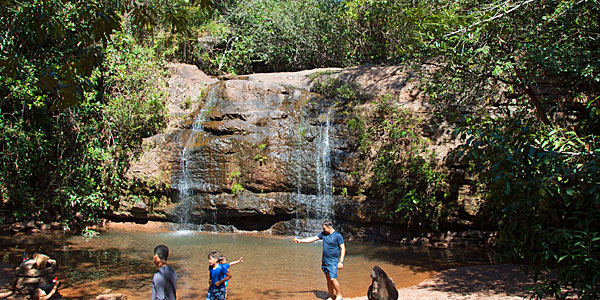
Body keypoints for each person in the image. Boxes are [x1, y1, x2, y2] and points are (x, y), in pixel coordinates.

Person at [295, 220, 346, 300]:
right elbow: (312, 239)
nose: (323, 230)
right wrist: (301, 241)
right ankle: (331, 296)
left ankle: (339, 295)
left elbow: (343, 248)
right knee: (328, 280)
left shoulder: (337, 236)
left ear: (329, 227)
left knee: (333, 279)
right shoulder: (323, 234)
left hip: (333, 261)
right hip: (325, 261)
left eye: (324, 228)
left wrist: (341, 261)